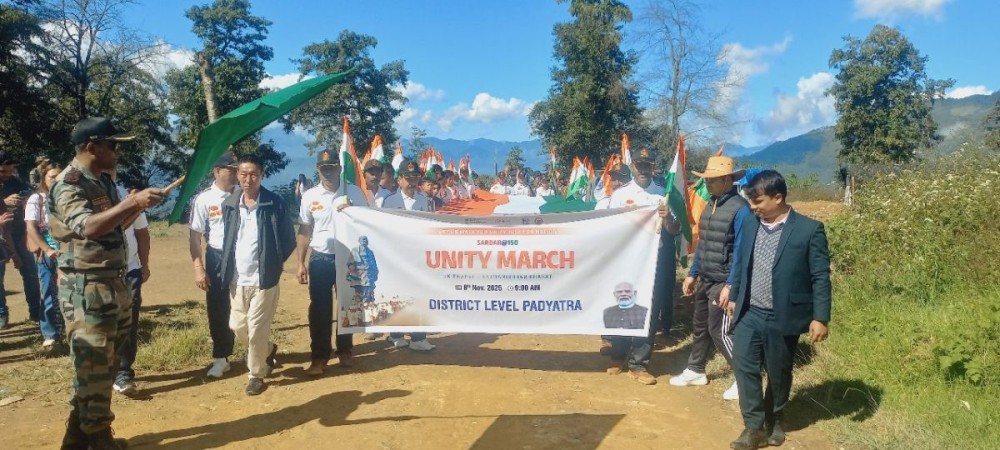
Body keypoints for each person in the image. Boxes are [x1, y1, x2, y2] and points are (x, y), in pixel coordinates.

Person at [49, 117, 165, 448]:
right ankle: (98, 439)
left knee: (100, 369)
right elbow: (86, 226)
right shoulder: (68, 184)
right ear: (91, 147)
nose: (117, 151)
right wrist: (132, 201)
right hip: (87, 289)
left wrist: (137, 207)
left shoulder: (100, 181)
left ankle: (76, 436)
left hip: (112, 284)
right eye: (112, 144)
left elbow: (113, 225)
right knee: (94, 367)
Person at [723, 170, 831, 450]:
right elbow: (742, 263)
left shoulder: (809, 229)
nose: (753, 207)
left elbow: (820, 276)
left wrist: (820, 317)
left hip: (783, 315)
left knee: (779, 371)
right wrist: (735, 295)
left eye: (758, 201)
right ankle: (754, 427)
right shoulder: (750, 224)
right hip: (749, 312)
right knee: (744, 366)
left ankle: (777, 418)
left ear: (778, 197)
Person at [669, 156, 749, 402]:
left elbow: (741, 251)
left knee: (719, 330)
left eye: (713, 181)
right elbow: (703, 243)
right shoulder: (711, 204)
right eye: (707, 180)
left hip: (724, 280)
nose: (708, 184)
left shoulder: (741, 210)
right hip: (706, 276)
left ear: (727, 180)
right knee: (700, 326)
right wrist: (693, 274)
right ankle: (695, 370)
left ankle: (745, 378)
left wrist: (731, 286)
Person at [597, 158, 680, 385]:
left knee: (649, 311)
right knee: (624, 306)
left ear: (653, 167)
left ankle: (639, 364)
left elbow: (675, 229)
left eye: (647, 166)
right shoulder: (621, 195)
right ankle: (618, 356)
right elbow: (609, 226)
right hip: (627, 261)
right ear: (632, 167)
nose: (643, 170)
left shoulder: (663, 194)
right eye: (639, 166)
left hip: (654, 263)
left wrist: (668, 217)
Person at [219, 153, 295, 396]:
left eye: (253, 174)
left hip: (264, 280)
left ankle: (256, 374)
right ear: (237, 175)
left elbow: (288, 240)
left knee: (256, 329)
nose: (248, 179)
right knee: (238, 326)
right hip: (237, 279)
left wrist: (272, 263)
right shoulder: (230, 204)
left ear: (262, 175)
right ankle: (268, 348)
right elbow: (229, 239)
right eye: (243, 174)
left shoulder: (275, 203)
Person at [295, 150, 367, 376]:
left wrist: (353, 212)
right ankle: (319, 356)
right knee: (319, 309)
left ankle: (345, 350)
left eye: (332, 167)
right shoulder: (310, 196)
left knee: (348, 305)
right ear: (318, 169)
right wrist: (300, 262)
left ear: (339, 168)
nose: (328, 171)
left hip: (348, 258)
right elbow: (305, 230)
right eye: (324, 168)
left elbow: (366, 225)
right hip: (320, 258)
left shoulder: (354, 192)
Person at [189, 152, 239, 378]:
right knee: (218, 308)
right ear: (217, 171)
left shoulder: (245, 194)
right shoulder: (204, 199)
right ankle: (221, 357)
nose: (236, 173)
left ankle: (258, 350)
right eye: (231, 169)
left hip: (244, 256)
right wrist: (198, 267)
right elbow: (195, 236)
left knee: (247, 304)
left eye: (237, 168)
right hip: (218, 257)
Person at [380, 160, 435, 351]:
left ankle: (418, 338)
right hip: (396, 256)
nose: (412, 181)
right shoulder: (389, 201)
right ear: (399, 179)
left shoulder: (424, 201)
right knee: (397, 296)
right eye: (408, 178)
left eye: (415, 178)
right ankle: (396, 334)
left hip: (418, 257)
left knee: (419, 296)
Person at [110, 173, 152, 398]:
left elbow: (142, 234)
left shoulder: (124, 195)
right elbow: (109, 229)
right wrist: (134, 206)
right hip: (100, 274)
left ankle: (123, 371)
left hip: (130, 271)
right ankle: (100, 372)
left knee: (129, 322)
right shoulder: (86, 198)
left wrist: (144, 265)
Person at [24, 164, 65, 347]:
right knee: (48, 290)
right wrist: (47, 249)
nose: (55, 180)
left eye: (59, 176)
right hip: (46, 252)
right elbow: (31, 228)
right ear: (43, 180)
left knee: (68, 291)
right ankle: (50, 333)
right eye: (51, 177)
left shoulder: (68, 197)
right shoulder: (36, 200)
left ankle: (67, 329)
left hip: (67, 250)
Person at [0, 150, 42, 329]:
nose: (7, 175)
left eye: (10, 171)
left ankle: (35, 311)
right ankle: (2, 317)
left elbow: (31, 196)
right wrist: (4, 202)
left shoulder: (15, 182)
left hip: (18, 233)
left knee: (31, 273)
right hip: (1, 235)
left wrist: (25, 201)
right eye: (3, 171)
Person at [347, 236, 379, 306]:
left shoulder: (370, 252)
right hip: (358, 274)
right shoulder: (354, 250)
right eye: (363, 239)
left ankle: (368, 305)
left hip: (368, 274)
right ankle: (359, 306)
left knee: (368, 291)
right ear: (359, 241)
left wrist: (375, 273)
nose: (364, 241)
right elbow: (349, 263)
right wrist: (353, 269)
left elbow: (374, 264)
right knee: (359, 292)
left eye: (365, 239)